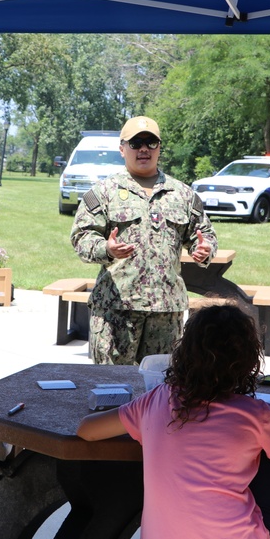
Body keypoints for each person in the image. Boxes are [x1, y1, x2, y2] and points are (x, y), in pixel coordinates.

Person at [77, 303, 270, 539]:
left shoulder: (154, 400)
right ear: (247, 360)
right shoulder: (259, 415)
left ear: (184, 353)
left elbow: (87, 430)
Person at [70, 116, 218, 365]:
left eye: (151, 143)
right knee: (112, 388)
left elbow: (204, 235)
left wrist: (204, 249)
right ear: (122, 148)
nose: (143, 149)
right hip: (116, 310)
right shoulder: (103, 193)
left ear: (159, 148)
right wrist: (106, 248)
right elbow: (81, 237)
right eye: (136, 142)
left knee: (161, 387)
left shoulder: (182, 194)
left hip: (165, 311)